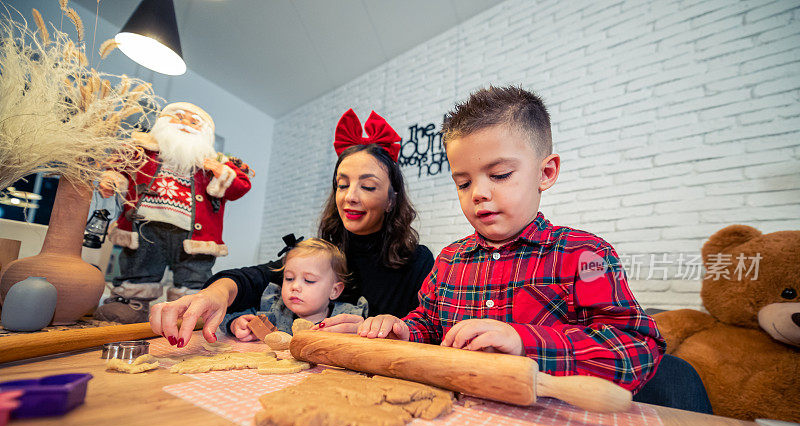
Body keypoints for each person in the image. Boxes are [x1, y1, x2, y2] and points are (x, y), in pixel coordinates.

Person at [356, 86, 665, 392]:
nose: (478, 193)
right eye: (463, 183)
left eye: (500, 174)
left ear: (545, 173)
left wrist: (523, 342)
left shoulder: (587, 256)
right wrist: (402, 332)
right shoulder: (450, 260)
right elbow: (428, 324)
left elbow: (636, 349)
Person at [150, 109, 433, 347]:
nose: (350, 197)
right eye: (342, 185)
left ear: (392, 200)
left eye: (368, 186)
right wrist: (216, 294)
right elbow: (255, 278)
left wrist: (377, 333)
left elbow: (427, 331)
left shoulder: (417, 261)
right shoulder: (322, 253)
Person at [95, 102, 252, 324]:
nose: (186, 124)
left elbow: (241, 186)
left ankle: (189, 312)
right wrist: (112, 181)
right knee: (140, 267)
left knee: (193, 274)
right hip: (145, 226)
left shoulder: (214, 161)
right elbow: (119, 169)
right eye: (179, 117)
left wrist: (221, 171)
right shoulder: (141, 150)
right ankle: (132, 304)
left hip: (195, 236)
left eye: (194, 121)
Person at [224, 238, 368, 339]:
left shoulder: (347, 318)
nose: (295, 286)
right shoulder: (274, 310)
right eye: (289, 278)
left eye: (309, 280)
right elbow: (226, 316)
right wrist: (236, 324)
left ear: (334, 291)